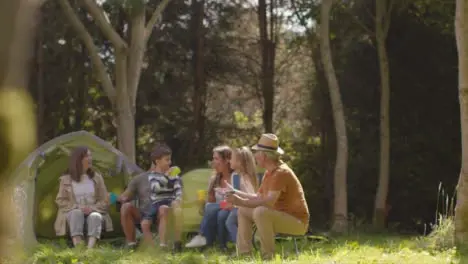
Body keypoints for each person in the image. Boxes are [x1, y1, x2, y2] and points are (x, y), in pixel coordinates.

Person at [225, 134, 310, 260]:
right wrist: (235, 192)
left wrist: (240, 201)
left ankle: (267, 258)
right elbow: (257, 197)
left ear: (264, 156)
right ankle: (244, 256)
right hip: (278, 215)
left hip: (297, 223)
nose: (254, 156)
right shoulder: (269, 172)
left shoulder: (281, 173)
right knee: (243, 210)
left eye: (256, 153)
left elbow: (268, 202)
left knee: (261, 212)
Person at [119, 143, 183, 251]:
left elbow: (179, 195)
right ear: (157, 161)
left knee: (164, 209)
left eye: (169, 159)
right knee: (125, 207)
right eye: (166, 159)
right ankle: (132, 245)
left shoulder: (174, 177)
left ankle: (170, 244)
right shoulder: (139, 179)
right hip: (145, 214)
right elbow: (124, 197)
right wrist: (114, 198)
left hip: (164, 213)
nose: (169, 163)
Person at [54, 146, 113, 248]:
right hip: (73, 211)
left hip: (94, 210)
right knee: (76, 213)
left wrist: (92, 208)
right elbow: (60, 200)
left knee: (95, 216)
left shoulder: (97, 177)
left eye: (90, 156)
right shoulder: (66, 179)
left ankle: (90, 249)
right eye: (87, 156)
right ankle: (79, 248)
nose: (90, 158)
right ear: (78, 159)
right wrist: (77, 207)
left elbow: (106, 200)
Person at [185, 145, 236, 250]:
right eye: (213, 158)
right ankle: (215, 244)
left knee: (213, 209)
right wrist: (204, 200)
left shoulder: (235, 177)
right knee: (214, 210)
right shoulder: (215, 178)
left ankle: (204, 238)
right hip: (219, 208)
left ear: (227, 160)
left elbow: (235, 200)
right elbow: (211, 201)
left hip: (232, 207)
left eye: (216, 158)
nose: (214, 161)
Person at [224, 146, 259, 244]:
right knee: (228, 220)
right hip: (239, 206)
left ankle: (241, 245)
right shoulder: (236, 175)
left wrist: (235, 196)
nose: (229, 161)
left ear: (239, 162)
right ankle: (240, 245)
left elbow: (251, 195)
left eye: (231, 159)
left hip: (245, 207)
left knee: (229, 222)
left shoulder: (245, 177)